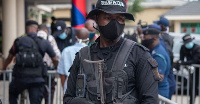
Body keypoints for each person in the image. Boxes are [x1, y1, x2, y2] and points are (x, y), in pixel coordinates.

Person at [63, 0, 159, 104]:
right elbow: (68, 98)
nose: (114, 23)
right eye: (107, 18)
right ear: (96, 19)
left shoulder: (139, 54)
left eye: (120, 19)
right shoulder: (83, 56)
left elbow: (151, 100)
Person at [2, 20, 58, 104]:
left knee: (12, 93)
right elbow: (54, 58)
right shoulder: (44, 42)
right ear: (37, 29)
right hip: (37, 79)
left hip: (20, 77)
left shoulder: (18, 41)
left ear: (26, 29)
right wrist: (57, 68)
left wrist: (3, 68)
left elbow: (9, 57)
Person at [57, 28, 89, 93]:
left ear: (75, 38)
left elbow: (62, 73)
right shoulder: (92, 51)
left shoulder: (66, 51)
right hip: (87, 89)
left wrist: (64, 88)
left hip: (69, 87)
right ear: (88, 40)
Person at [142, 28, 170, 98]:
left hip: (158, 93)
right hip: (154, 91)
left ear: (154, 38)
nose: (143, 39)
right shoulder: (153, 50)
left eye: (145, 38)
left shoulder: (158, 55)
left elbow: (160, 77)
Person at [37, 24, 61, 104]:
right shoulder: (50, 38)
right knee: (49, 94)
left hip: (36, 71)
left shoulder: (32, 38)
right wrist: (56, 66)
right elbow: (57, 55)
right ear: (46, 30)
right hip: (48, 71)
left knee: (36, 94)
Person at [154, 17, 176, 99]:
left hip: (167, 77)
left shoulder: (164, 38)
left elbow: (168, 55)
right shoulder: (167, 37)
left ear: (162, 27)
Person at [179, 34, 200, 104]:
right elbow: (181, 59)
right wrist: (182, 63)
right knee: (193, 87)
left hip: (198, 69)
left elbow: (194, 60)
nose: (188, 44)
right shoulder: (183, 48)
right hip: (192, 70)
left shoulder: (197, 48)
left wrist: (183, 63)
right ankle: (191, 102)